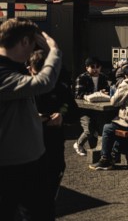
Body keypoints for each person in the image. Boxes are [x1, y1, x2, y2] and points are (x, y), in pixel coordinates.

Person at [0, 18, 62, 220]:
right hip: (14, 166)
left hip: (28, 159)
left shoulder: (13, 69)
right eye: (34, 45)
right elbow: (43, 82)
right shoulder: (3, 72)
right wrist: (54, 50)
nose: (36, 52)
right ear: (25, 42)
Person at [28, 49, 74, 208]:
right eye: (37, 75)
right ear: (30, 69)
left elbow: (70, 105)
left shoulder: (59, 84)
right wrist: (33, 117)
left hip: (53, 138)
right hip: (29, 143)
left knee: (56, 170)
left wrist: (61, 115)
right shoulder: (22, 85)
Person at [73, 56, 110, 156]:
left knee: (103, 128)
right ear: (87, 68)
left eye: (98, 67)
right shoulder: (82, 78)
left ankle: (99, 152)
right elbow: (78, 94)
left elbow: (108, 91)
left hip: (100, 109)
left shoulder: (103, 77)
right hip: (85, 110)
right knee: (89, 130)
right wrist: (97, 92)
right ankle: (78, 144)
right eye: (92, 67)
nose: (95, 69)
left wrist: (105, 93)